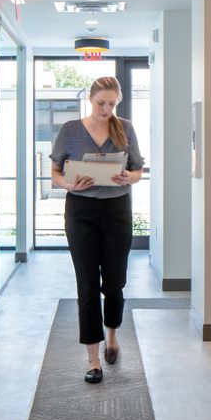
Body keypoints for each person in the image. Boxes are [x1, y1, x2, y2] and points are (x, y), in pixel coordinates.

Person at [50, 76, 144, 383]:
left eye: (112, 104)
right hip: (80, 211)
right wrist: (68, 183)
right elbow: (55, 170)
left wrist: (129, 177)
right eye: (101, 103)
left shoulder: (125, 128)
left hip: (117, 210)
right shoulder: (70, 130)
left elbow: (137, 169)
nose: (106, 109)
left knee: (114, 282)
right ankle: (92, 360)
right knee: (87, 284)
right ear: (90, 100)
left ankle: (112, 335)